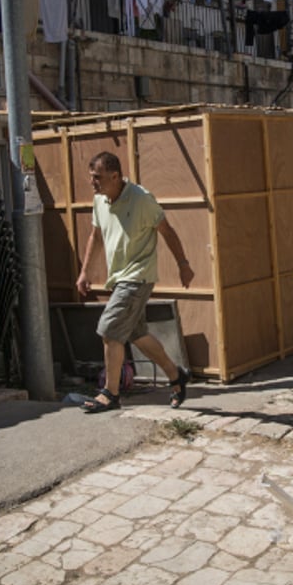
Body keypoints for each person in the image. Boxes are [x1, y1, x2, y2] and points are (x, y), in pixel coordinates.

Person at [75, 151, 194, 413]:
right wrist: (85, 272)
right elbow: (95, 237)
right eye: (92, 177)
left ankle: (110, 393)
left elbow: (167, 231)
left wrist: (183, 264)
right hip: (119, 278)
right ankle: (176, 376)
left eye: (98, 178)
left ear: (115, 176)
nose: (93, 182)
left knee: (109, 329)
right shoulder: (100, 201)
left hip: (138, 276)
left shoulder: (141, 199)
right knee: (136, 334)